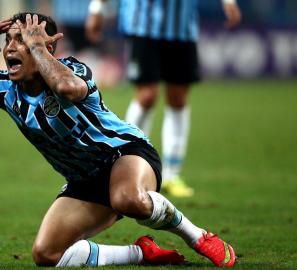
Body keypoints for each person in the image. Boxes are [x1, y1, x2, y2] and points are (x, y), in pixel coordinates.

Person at [0, 12, 236, 267]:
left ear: (47, 48)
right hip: (84, 179)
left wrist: (38, 49)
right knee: (46, 255)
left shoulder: (74, 70)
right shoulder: (5, 88)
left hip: (125, 154)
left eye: (25, 40)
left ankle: (197, 236)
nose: (11, 48)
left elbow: (66, 89)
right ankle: (141, 254)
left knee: (127, 198)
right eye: (9, 41)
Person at [86, 0, 242, 197]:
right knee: (147, 95)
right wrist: (97, 8)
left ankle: (172, 174)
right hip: (142, 23)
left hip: (181, 27)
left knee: (178, 98)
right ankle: (125, 163)